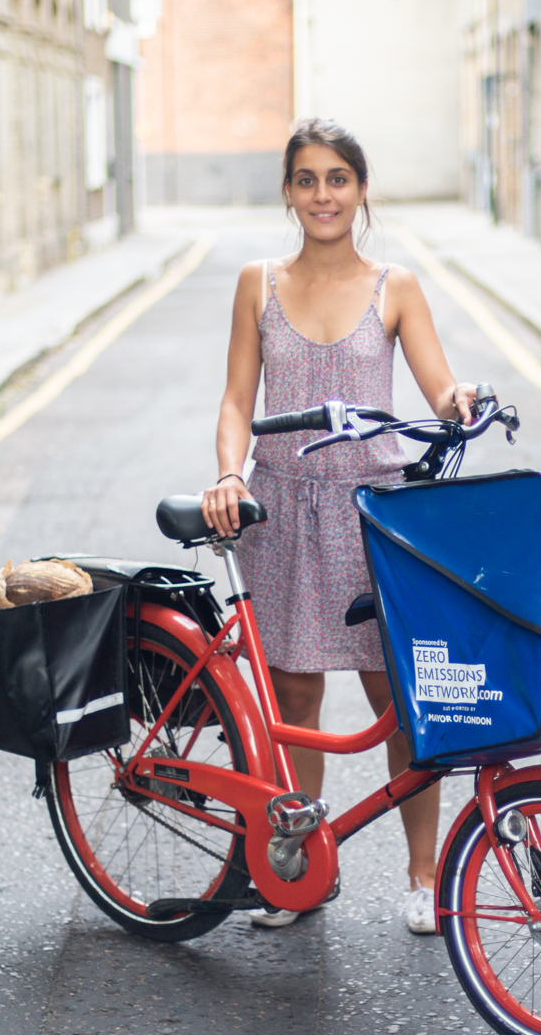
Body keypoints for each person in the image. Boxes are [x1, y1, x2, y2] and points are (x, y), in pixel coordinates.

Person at [200, 119, 479, 935]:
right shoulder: (259, 282)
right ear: (288, 192)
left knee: (398, 697)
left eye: (338, 179)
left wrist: (458, 403)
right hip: (281, 506)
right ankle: (301, 862)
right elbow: (234, 401)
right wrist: (227, 472)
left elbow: (437, 385)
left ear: (361, 190)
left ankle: (424, 874)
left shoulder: (397, 285)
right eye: (307, 179)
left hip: (372, 510)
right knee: (295, 694)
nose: (323, 194)